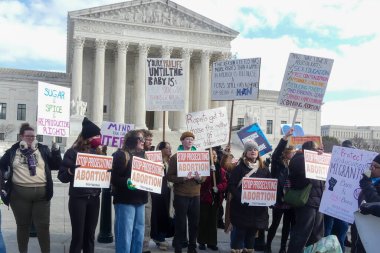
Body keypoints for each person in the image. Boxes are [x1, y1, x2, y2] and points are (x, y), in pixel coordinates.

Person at [0, 123, 61, 253]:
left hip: (42, 196)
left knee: (43, 227)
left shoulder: (43, 149)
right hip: (19, 197)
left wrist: (56, 151)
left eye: (33, 136)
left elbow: (56, 165)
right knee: (22, 226)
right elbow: (1, 166)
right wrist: (3, 183)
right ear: (21, 136)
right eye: (28, 136)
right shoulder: (12, 151)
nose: (31, 139)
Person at [58, 117, 103, 253]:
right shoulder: (72, 153)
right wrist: (71, 171)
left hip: (94, 198)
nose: (99, 138)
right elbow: (62, 176)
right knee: (78, 236)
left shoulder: (99, 153)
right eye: (96, 135)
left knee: (90, 236)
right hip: (78, 199)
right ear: (88, 137)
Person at [228, 141, 271, 253]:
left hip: (257, 211)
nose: (253, 151)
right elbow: (231, 185)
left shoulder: (264, 169)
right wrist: (242, 197)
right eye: (250, 149)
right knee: (239, 235)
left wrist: (270, 199)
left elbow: (270, 187)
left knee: (251, 237)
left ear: (258, 152)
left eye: (255, 149)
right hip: (241, 209)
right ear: (245, 152)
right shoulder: (239, 168)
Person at [167, 131, 205, 253]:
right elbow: (169, 176)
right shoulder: (175, 157)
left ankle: (192, 247)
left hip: (195, 195)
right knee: (180, 223)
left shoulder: (199, 157)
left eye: (191, 139)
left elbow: (204, 176)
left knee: (194, 223)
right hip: (181, 195)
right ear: (182, 141)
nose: (190, 141)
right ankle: (178, 247)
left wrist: (200, 178)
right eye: (187, 139)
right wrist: (183, 178)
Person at [111, 130, 148, 253]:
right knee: (125, 234)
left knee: (139, 233)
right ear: (132, 140)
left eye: (143, 139)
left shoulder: (143, 156)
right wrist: (127, 181)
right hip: (125, 200)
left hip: (140, 200)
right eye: (140, 139)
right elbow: (113, 178)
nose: (143, 142)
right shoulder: (121, 155)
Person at [287, 141, 325, 253]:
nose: (318, 151)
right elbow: (297, 170)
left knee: (317, 234)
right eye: (315, 149)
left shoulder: (318, 160)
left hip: (318, 201)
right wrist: (315, 157)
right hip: (306, 202)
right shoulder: (298, 159)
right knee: (302, 232)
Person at [266, 128, 296, 253]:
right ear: (286, 153)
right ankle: (267, 246)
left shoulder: (295, 165)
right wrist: (284, 138)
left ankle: (283, 248)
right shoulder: (278, 163)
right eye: (292, 152)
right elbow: (276, 154)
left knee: (287, 226)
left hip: (291, 199)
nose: (294, 154)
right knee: (275, 224)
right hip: (280, 198)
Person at [324, 140, 353, 251]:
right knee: (329, 232)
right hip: (330, 203)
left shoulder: (352, 167)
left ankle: (339, 250)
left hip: (343, 205)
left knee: (341, 231)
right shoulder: (331, 161)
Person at [197, 148, 227, 251]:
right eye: (211, 155)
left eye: (214, 155)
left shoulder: (220, 169)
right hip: (205, 199)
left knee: (213, 222)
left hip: (216, 199)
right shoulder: (203, 168)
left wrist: (218, 188)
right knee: (203, 221)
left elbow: (225, 183)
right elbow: (202, 183)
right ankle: (201, 241)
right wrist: (209, 172)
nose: (213, 156)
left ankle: (211, 242)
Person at [352, 153, 380, 253]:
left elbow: (376, 202)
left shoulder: (370, 183)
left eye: (375, 166)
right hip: (361, 230)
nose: (371, 168)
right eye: (370, 165)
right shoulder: (372, 181)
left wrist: (367, 184)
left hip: (373, 234)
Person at [150, 141, 174, 251]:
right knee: (159, 214)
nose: (170, 150)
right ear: (161, 149)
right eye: (167, 148)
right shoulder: (156, 160)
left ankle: (162, 236)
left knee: (167, 215)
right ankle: (158, 237)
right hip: (158, 192)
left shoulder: (171, 160)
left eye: (170, 148)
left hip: (169, 192)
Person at [141, 129, 154, 253]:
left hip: (148, 192)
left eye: (151, 139)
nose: (150, 142)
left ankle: (144, 247)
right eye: (147, 139)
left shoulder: (152, 153)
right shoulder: (137, 153)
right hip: (138, 192)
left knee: (147, 221)